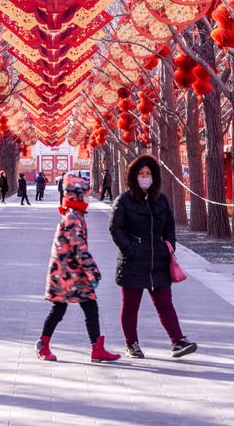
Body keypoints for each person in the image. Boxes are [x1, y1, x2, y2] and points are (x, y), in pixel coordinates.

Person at [110, 154, 197, 359]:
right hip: (133, 260)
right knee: (131, 306)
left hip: (158, 259)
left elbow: (169, 226)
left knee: (165, 303)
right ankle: (131, 344)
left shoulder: (161, 199)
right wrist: (130, 250)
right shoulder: (124, 200)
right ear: (134, 176)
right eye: (141, 174)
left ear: (154, 176)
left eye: (148, 173)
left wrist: (168, 247)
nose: (145, 177)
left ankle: (177, 341)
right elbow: (116, 229)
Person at [36, 173, 121, 363]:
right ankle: (44, 344)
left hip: (71, 274)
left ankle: (96, 348)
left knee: (86, 309)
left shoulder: (74, 214)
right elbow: (78, 249)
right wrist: (94, 271)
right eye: (84, 194)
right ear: (77, 195)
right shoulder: (73, 217)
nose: (87, 198)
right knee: (61, 309)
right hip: (67, 274)